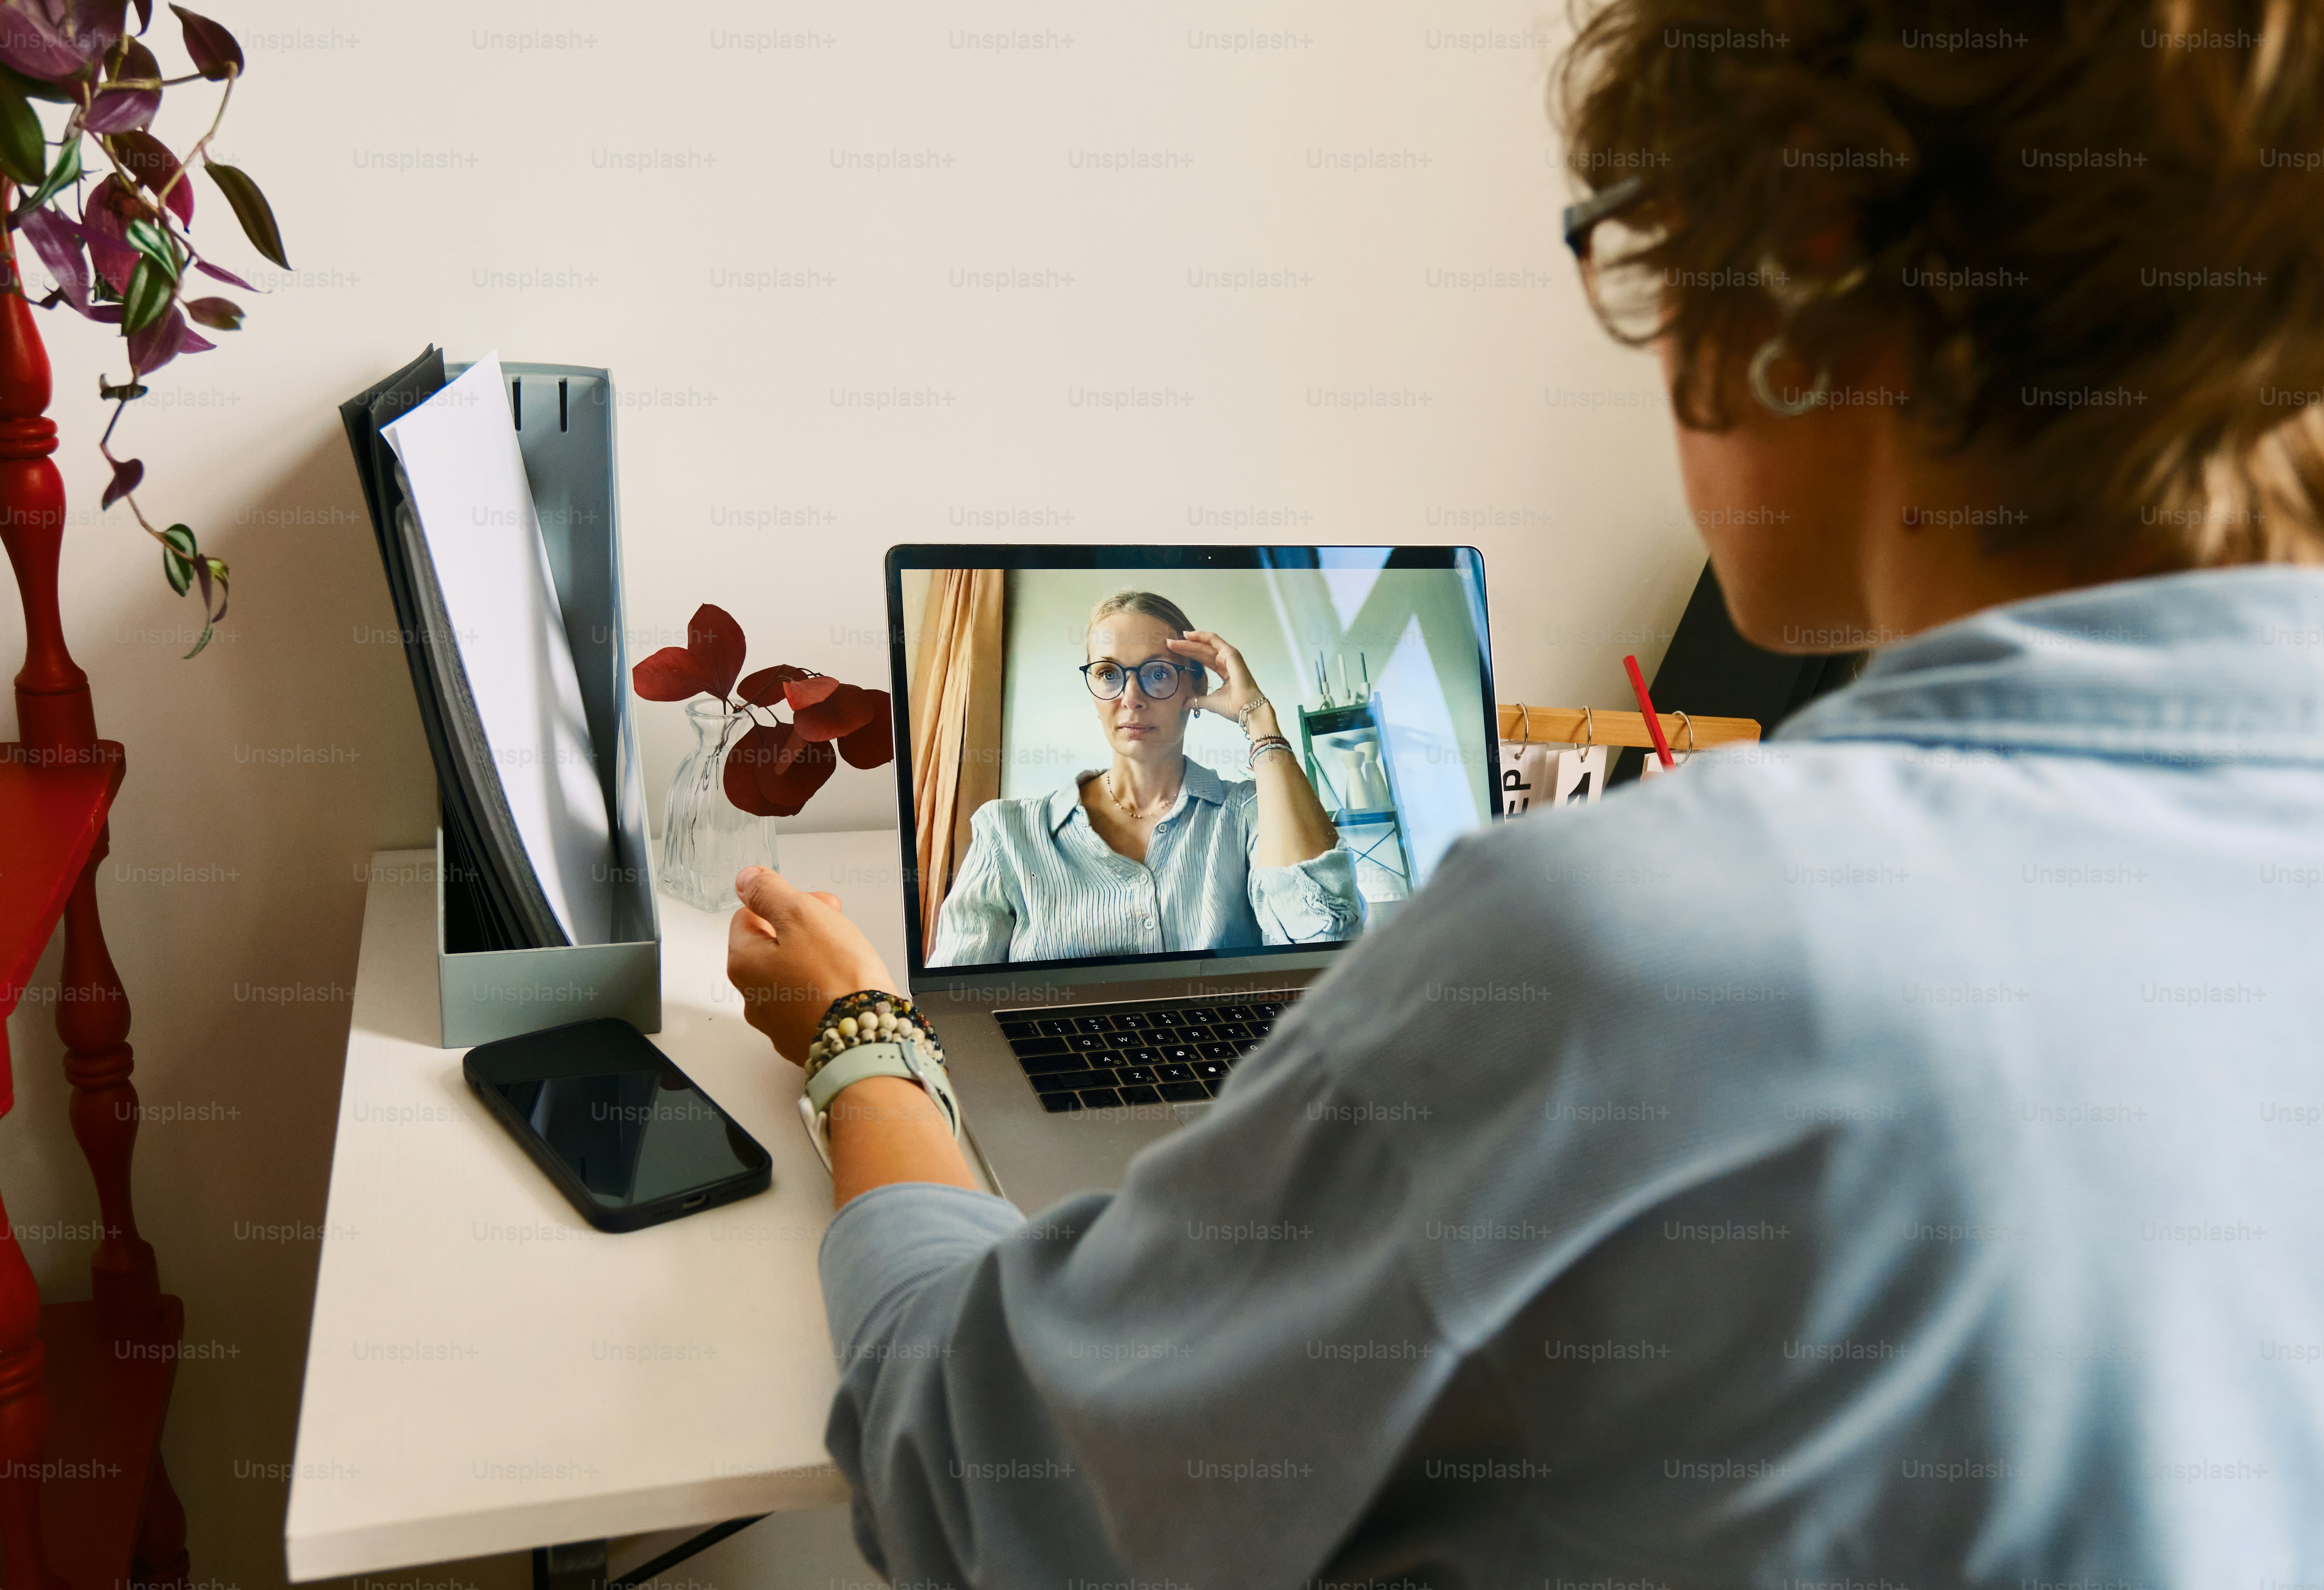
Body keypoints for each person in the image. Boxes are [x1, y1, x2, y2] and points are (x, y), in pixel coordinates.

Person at [724, 3, 2324, 1586]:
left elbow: (976, 1480)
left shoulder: (1628, 939)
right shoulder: (1017, 829)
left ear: (1795, 276)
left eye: (1647, 244)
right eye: (1109, 674)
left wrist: (865, 1038)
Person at [923, 589, 1363, 967]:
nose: (1130, 698)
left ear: (1195, 689)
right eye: (1108, 674)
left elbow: (1326, 947)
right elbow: (958, 1008)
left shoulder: (1251, 813)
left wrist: (1261, 720)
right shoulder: (1007, 831)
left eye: (1157, 673)